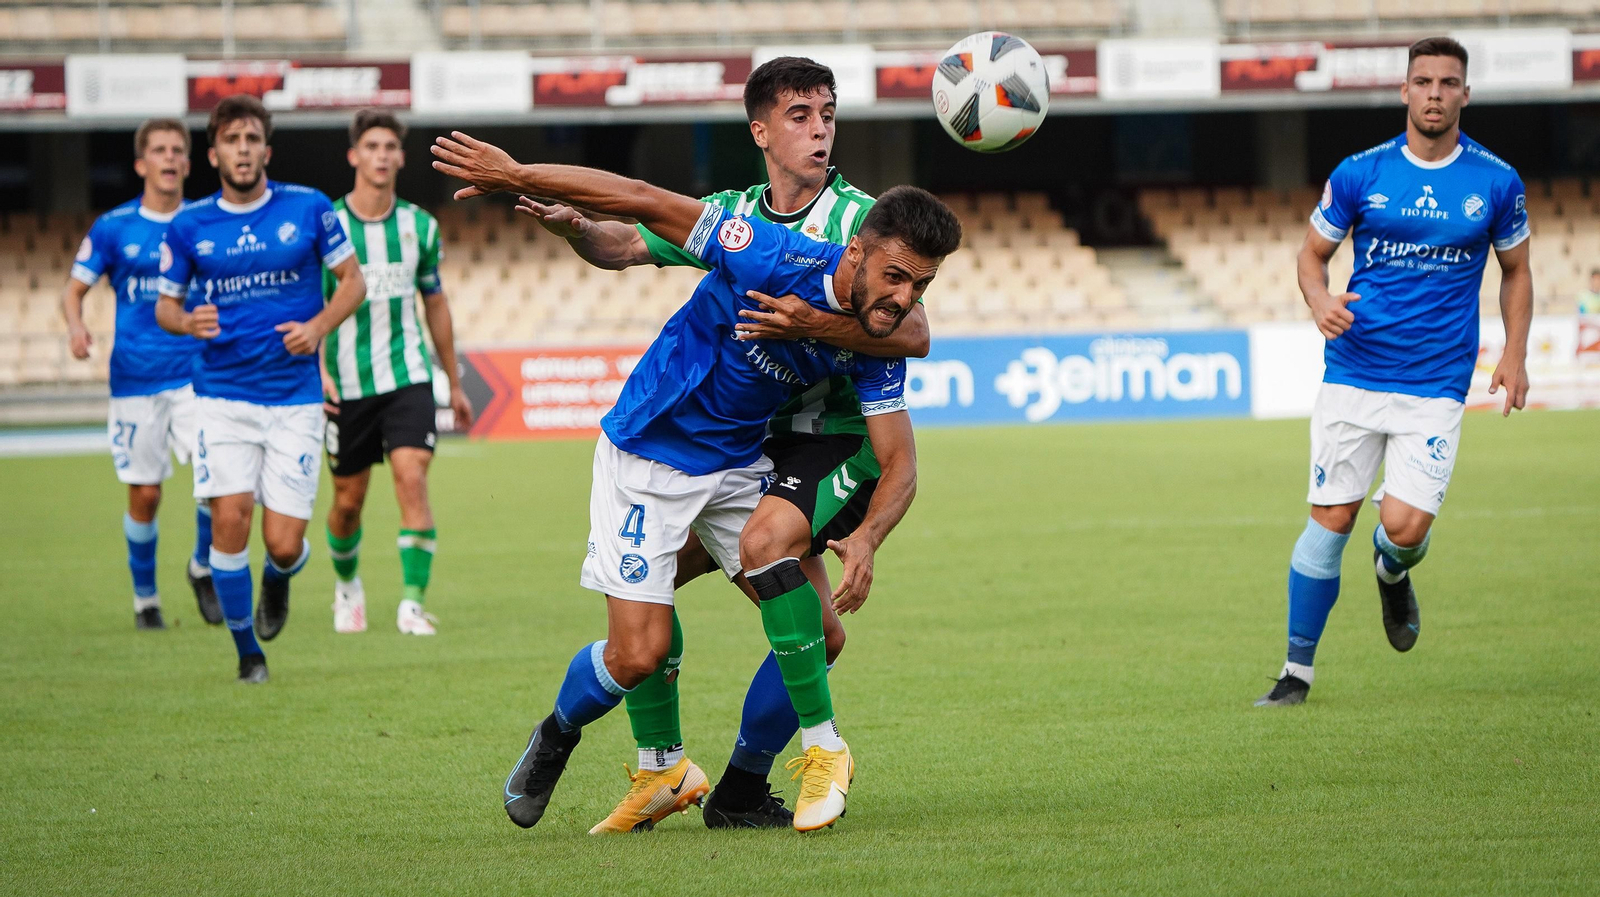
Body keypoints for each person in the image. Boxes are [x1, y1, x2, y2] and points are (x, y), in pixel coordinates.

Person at [432, 131, 959, 831]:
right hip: (649, 452)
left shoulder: (874, 335)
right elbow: (642, 199)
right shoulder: (769, 251)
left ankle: (816, 751)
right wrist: (518, 174)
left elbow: (900, 454)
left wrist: (865, 538)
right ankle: (564, 734)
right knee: (636, 652)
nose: (904, 298)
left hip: (737, 464)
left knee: (820, 628)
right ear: (857, 251)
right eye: (896, 277)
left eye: (920, 286)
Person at [1257, 37, 1531, 707]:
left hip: (1436, 381)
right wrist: (1319, 300)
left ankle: (1392, 568)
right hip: (1354, 370)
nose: (1435, 93)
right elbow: (1311, 255)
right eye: (1423, 81)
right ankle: (1295, 673)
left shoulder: (1497, 181)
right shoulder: (1361, 171)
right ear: (1405, 91)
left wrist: (1515, 352)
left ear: (1465, 94)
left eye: (1448, 82)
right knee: (1331, 518)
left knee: (1405, 530)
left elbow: (1517, 271)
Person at [154, 95, 367, 683]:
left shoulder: (310, 207)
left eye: (252, 139)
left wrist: (318, 327)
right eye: (232, 140)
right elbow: (166, 307)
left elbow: (353, 282)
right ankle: (249, 654)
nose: (242, 150)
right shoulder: (190, 224)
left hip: (295, 399)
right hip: (221, 396)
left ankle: (278, 579)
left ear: (266, 151)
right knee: (231, 521)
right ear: (214, 153)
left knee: (283, 544)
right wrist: (187, 321)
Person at [321, 109, 474, 637]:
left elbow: (435, 303)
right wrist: (318, 369)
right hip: (346, 382)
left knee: (412, 479)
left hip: (408, 376)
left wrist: (454, 382)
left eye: (390, 147)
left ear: (401, 158)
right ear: (354, 156)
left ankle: (412, 604)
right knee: (348, 503)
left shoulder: (419, 226)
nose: (381, 155)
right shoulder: (328, 226)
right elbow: (310, 306)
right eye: (372, 146)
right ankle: (347, 588)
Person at [60, 119, 218, 631]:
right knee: (145, 495)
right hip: (135, 378)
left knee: (217, 479)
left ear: (188, 164)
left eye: (177, 150)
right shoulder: (114, 227)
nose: (169, 158)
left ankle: (202, 566)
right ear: (141, 164)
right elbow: (73, 290)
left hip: (198, 374)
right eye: (159, 150)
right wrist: (76, 327)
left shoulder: (203, 221)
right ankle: (145, 599)